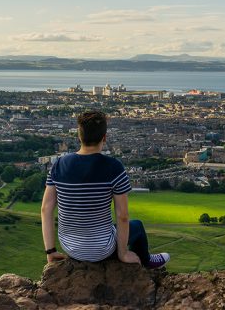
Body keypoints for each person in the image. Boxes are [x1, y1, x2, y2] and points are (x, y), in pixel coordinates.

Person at [40, 110, 170, 268]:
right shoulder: (114, 167)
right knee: (137, 226)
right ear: (104, 138)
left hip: (71, 248)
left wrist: (50, 251)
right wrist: (122, 253)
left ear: (79, 136)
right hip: (103, 249)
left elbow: (45, 209)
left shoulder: (58, 165)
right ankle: (146, 261)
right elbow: (122, 216)